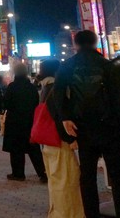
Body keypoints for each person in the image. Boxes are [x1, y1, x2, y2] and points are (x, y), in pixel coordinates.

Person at [54, 30, 120, 218]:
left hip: (83, 128)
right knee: (118, 177)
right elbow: (119, 98)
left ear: (75, 44)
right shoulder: (107, 65)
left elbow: (58, 94)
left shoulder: (68, 65)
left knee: (87, 176)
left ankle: (91, 214)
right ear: (95, 43)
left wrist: (65, 118)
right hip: (110, 128)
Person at [37, 58, 84, 218]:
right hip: (59, 141)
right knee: (67, 181)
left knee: (56, 181)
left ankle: (57, 213)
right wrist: (70, 139)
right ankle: (68, 214)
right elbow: (59, 117)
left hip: (48, 142)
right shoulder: (55, 88)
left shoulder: (45, 88)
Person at [3, 63, 46, 182]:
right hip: (30, 121)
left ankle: (18, 174)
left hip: (14, 121)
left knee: (16, 149)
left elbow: (6, 103)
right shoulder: (31, 88)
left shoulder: (12, 87)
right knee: (33, 149)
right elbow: (36, 103)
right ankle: (43, 173)